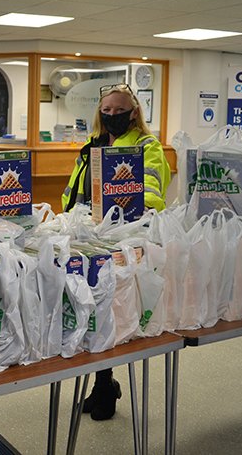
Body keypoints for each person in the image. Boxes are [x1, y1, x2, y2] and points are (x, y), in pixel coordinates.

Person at [61, 82, 171, 420]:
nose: (112, 117)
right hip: (87, 241)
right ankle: (102, 383)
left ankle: (105, 385)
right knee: (90, 313)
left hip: (123, 242)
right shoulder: (92, 146)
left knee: (112, 315)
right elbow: (74, 195)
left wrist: (116, 209)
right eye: (106, 111)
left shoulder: (145, 147)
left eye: (119, 111)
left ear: (134, 112)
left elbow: (151, 194)